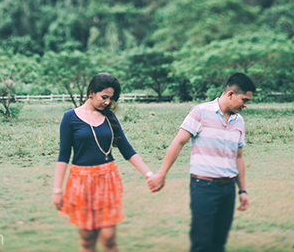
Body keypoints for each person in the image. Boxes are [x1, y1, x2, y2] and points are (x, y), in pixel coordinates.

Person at [147, 72, 255, 252]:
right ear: (230, 94)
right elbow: (178, 143)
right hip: (204, 187)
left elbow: (238, 156)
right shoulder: (200, 112)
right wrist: (162, 174)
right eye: (244, 100)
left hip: (228, 189)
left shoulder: (239, 121)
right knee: (202, 243)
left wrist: (242, 191)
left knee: (219, 242)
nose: (245, 105)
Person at [53, 72, 154, 252]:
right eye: (104, 97)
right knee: (87, 240)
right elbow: (63, 156)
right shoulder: (70, 118)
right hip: (81, 182)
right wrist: (57, 190)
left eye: (111, 99)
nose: (107, 102)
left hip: (107, 180)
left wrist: (149, 175)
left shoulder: (110, 118)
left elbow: (127, 149)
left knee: (109, 239)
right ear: (91, 92)